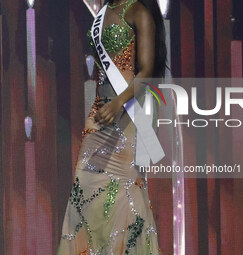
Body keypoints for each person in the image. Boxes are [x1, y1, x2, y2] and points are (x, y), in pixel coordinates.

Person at [57, 0, 167, 254]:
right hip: (99, 113)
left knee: (126, 194)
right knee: (83, 190)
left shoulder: (138, 11)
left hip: (127, 112)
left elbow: (148, 71)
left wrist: (118, 103)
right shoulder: (103, 12)